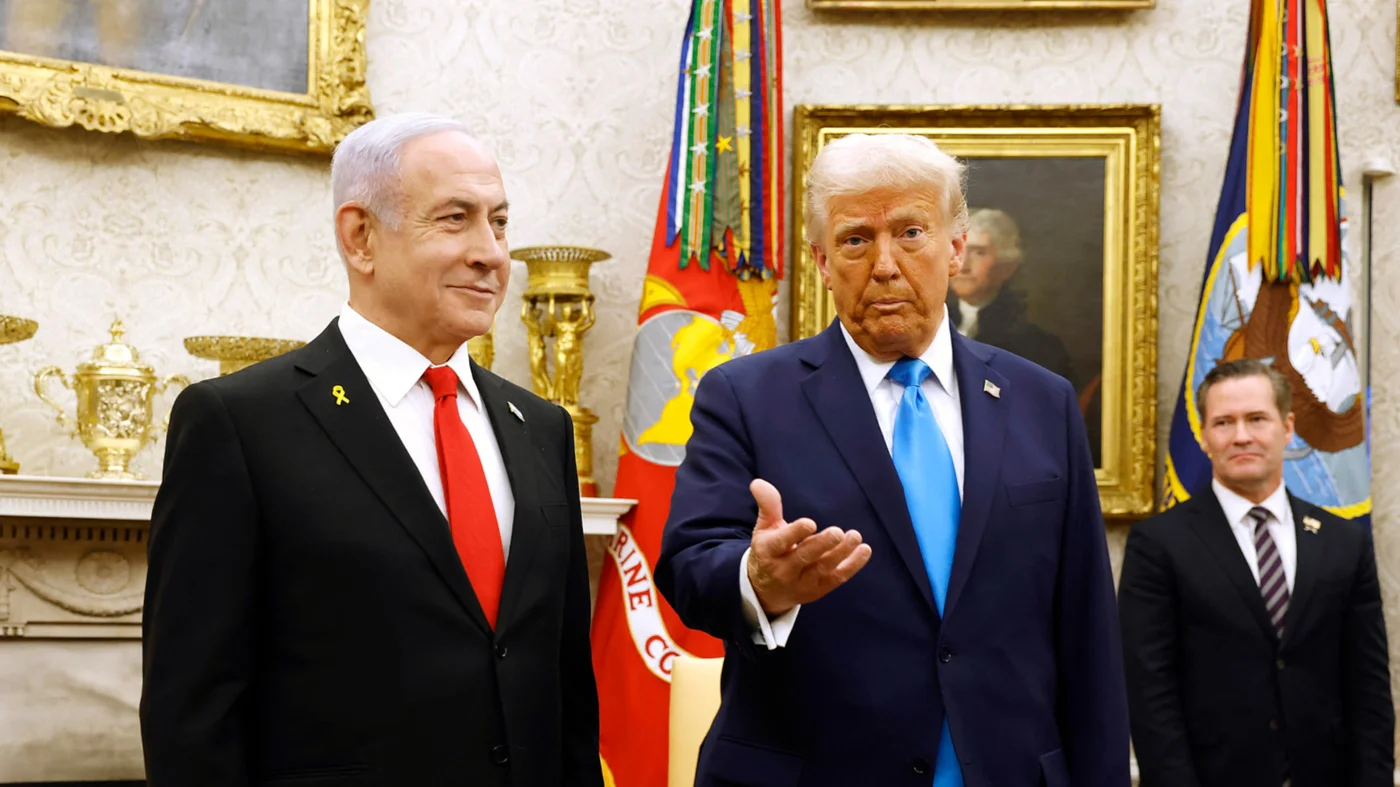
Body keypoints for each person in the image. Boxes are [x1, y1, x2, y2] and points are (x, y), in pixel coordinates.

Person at [140, 113, 602, 787]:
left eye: (499, 223)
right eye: (455, 219)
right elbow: (192, 713)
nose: (491, 253)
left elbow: (567, 690)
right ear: (361, 237)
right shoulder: (239, 423)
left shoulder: (541, 426)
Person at [655, 133, 1128, 787]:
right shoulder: (745, 397)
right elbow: (688, 566)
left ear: (955, 247)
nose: (884, 265)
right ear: (822, 261)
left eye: (910, 233)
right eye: (855, 239)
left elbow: (1087, 630)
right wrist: (758, 582)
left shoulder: (1041, 401)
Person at [1119, 358, 1392, 787]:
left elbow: (1369, 686)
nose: (1241, 435)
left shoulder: (1343, 542)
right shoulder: (1158, 544)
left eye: (1257, 419)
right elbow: (1149, 691)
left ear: (1287, 427)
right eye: (1223, 422)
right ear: (1204, 436)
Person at [946, 208, 1074, 386]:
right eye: (958, 251)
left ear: (1006, 266)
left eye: (979, 253)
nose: (963, 266)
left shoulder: (1039, 347)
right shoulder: (931, 326)